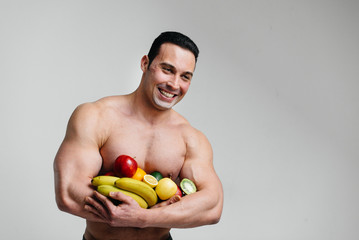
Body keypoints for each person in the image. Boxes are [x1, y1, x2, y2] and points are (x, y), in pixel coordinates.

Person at [54, 31, 223, 240]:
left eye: (185, 76)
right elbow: (68, 192)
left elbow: (212, 206)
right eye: (167, 70)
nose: (174, 84)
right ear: (145, 63)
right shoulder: (96, 116)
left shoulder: (190, 138)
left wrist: (143, 217)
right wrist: (151, 211)